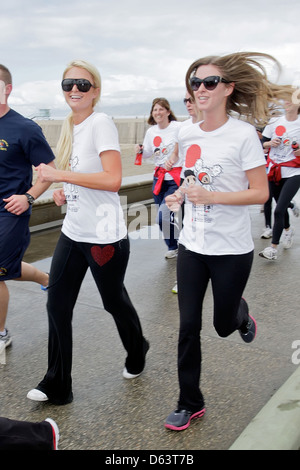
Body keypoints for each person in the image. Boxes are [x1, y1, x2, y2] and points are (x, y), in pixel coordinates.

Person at [164, 52, 293, 431]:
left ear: (228, 89)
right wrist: (180, 195)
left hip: (231, 250)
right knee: (188, 326)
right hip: (193, 245)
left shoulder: (242, 135)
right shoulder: (186, 133)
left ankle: (238, 312)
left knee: (221, 325)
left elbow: (259, 194)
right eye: (195, 83)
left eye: (209, 83)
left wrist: (213, 197)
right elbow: (191, 181)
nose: (200, 89)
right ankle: (189, 402)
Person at [27, 60, 149, 405]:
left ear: (95, 90)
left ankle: (137, 347)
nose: (75, 91)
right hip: (73, 231)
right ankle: (57, 383)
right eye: (68, 85)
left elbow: (112, 179)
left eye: (82, 84)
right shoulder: (70, 126)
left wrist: (62, 177)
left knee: (113, 301)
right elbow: (84, 178)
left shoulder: (101, 123)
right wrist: (67, 191)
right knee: (57, 304)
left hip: (104, 237)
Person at [0, 64, 55, 349]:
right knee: (5, 268)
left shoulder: (24, 128)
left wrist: (29, 197)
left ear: (7, 89)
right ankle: (46, 278)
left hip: (10, 210)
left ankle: (1, 334)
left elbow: (49, 170)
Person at [138, 98, 182, 259]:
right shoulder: (151, 132)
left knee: (163, 215)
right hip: (159, 179)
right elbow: (148, 153)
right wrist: (141, 150)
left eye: (161, 109)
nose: (158, 113)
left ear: (168, 112)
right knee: (164, 219)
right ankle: (175, 245)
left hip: (176, 179)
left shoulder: (178, 127)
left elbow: (186, 144)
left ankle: (179, 245)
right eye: (155, 110)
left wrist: (175, 156)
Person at [259, 100, 300, 260]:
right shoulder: (275, 121)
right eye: (287, 100)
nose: (288, 102)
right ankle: (288, 231)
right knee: (279, 207)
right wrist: (269, 143)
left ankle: (273, 248)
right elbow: (262, 142)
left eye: (293, 100)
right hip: (274, 170)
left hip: (294, 172)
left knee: (278, 209)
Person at [172, 92, 201, 293]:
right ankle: (183, 279)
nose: (188, 104)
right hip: (187, 183)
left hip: (209, 189)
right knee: (184, 228)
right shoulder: (183, 128)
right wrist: (179, 192)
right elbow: (177, 155)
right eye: (185, 101)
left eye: (191, 100)